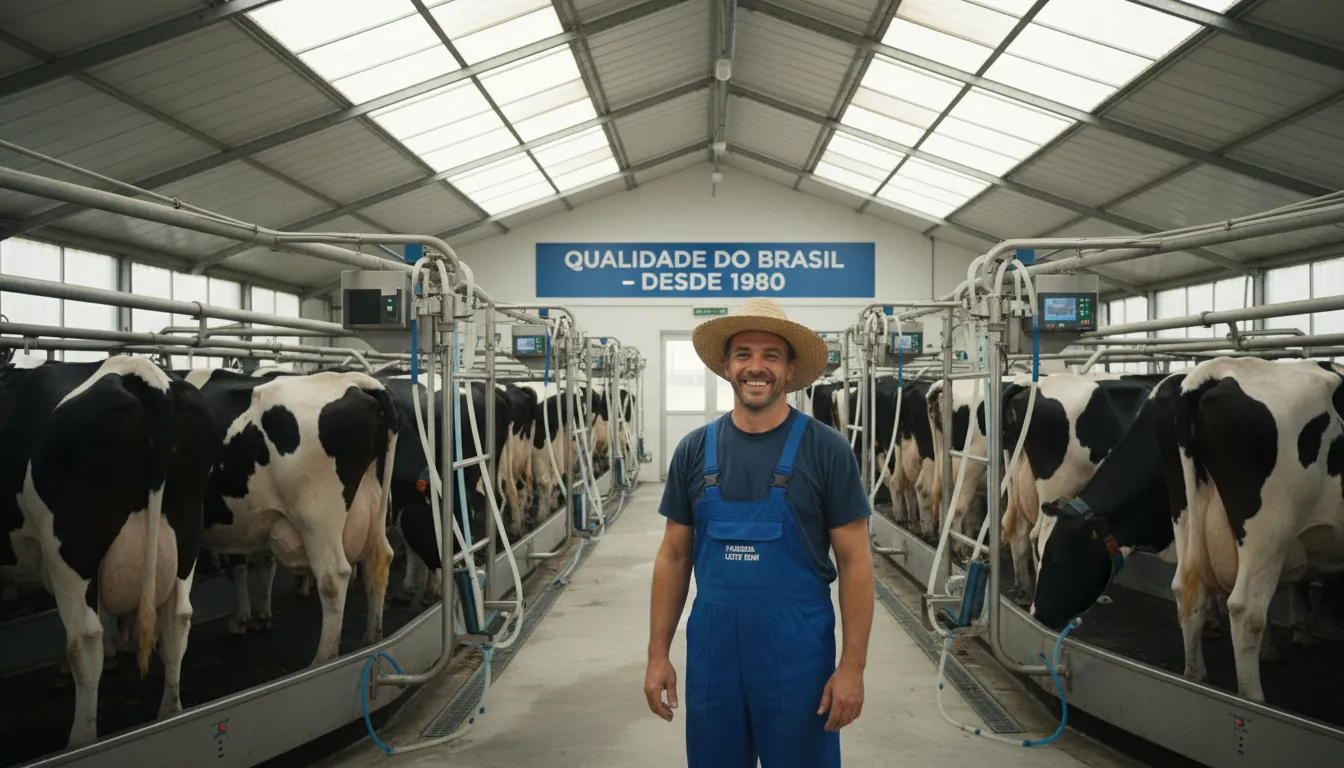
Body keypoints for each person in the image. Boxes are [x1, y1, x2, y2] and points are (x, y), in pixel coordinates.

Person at [643, 298, 875, 767]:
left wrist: (852, 668)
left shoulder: (827, 450)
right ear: (727, 366)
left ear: (790, 369)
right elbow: (672, 556)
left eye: (771, 355)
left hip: (799, 653)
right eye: (743, 353)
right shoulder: (694, 450)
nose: (756, 367)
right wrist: (657, 655)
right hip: (713, 651)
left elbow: (855, 562)